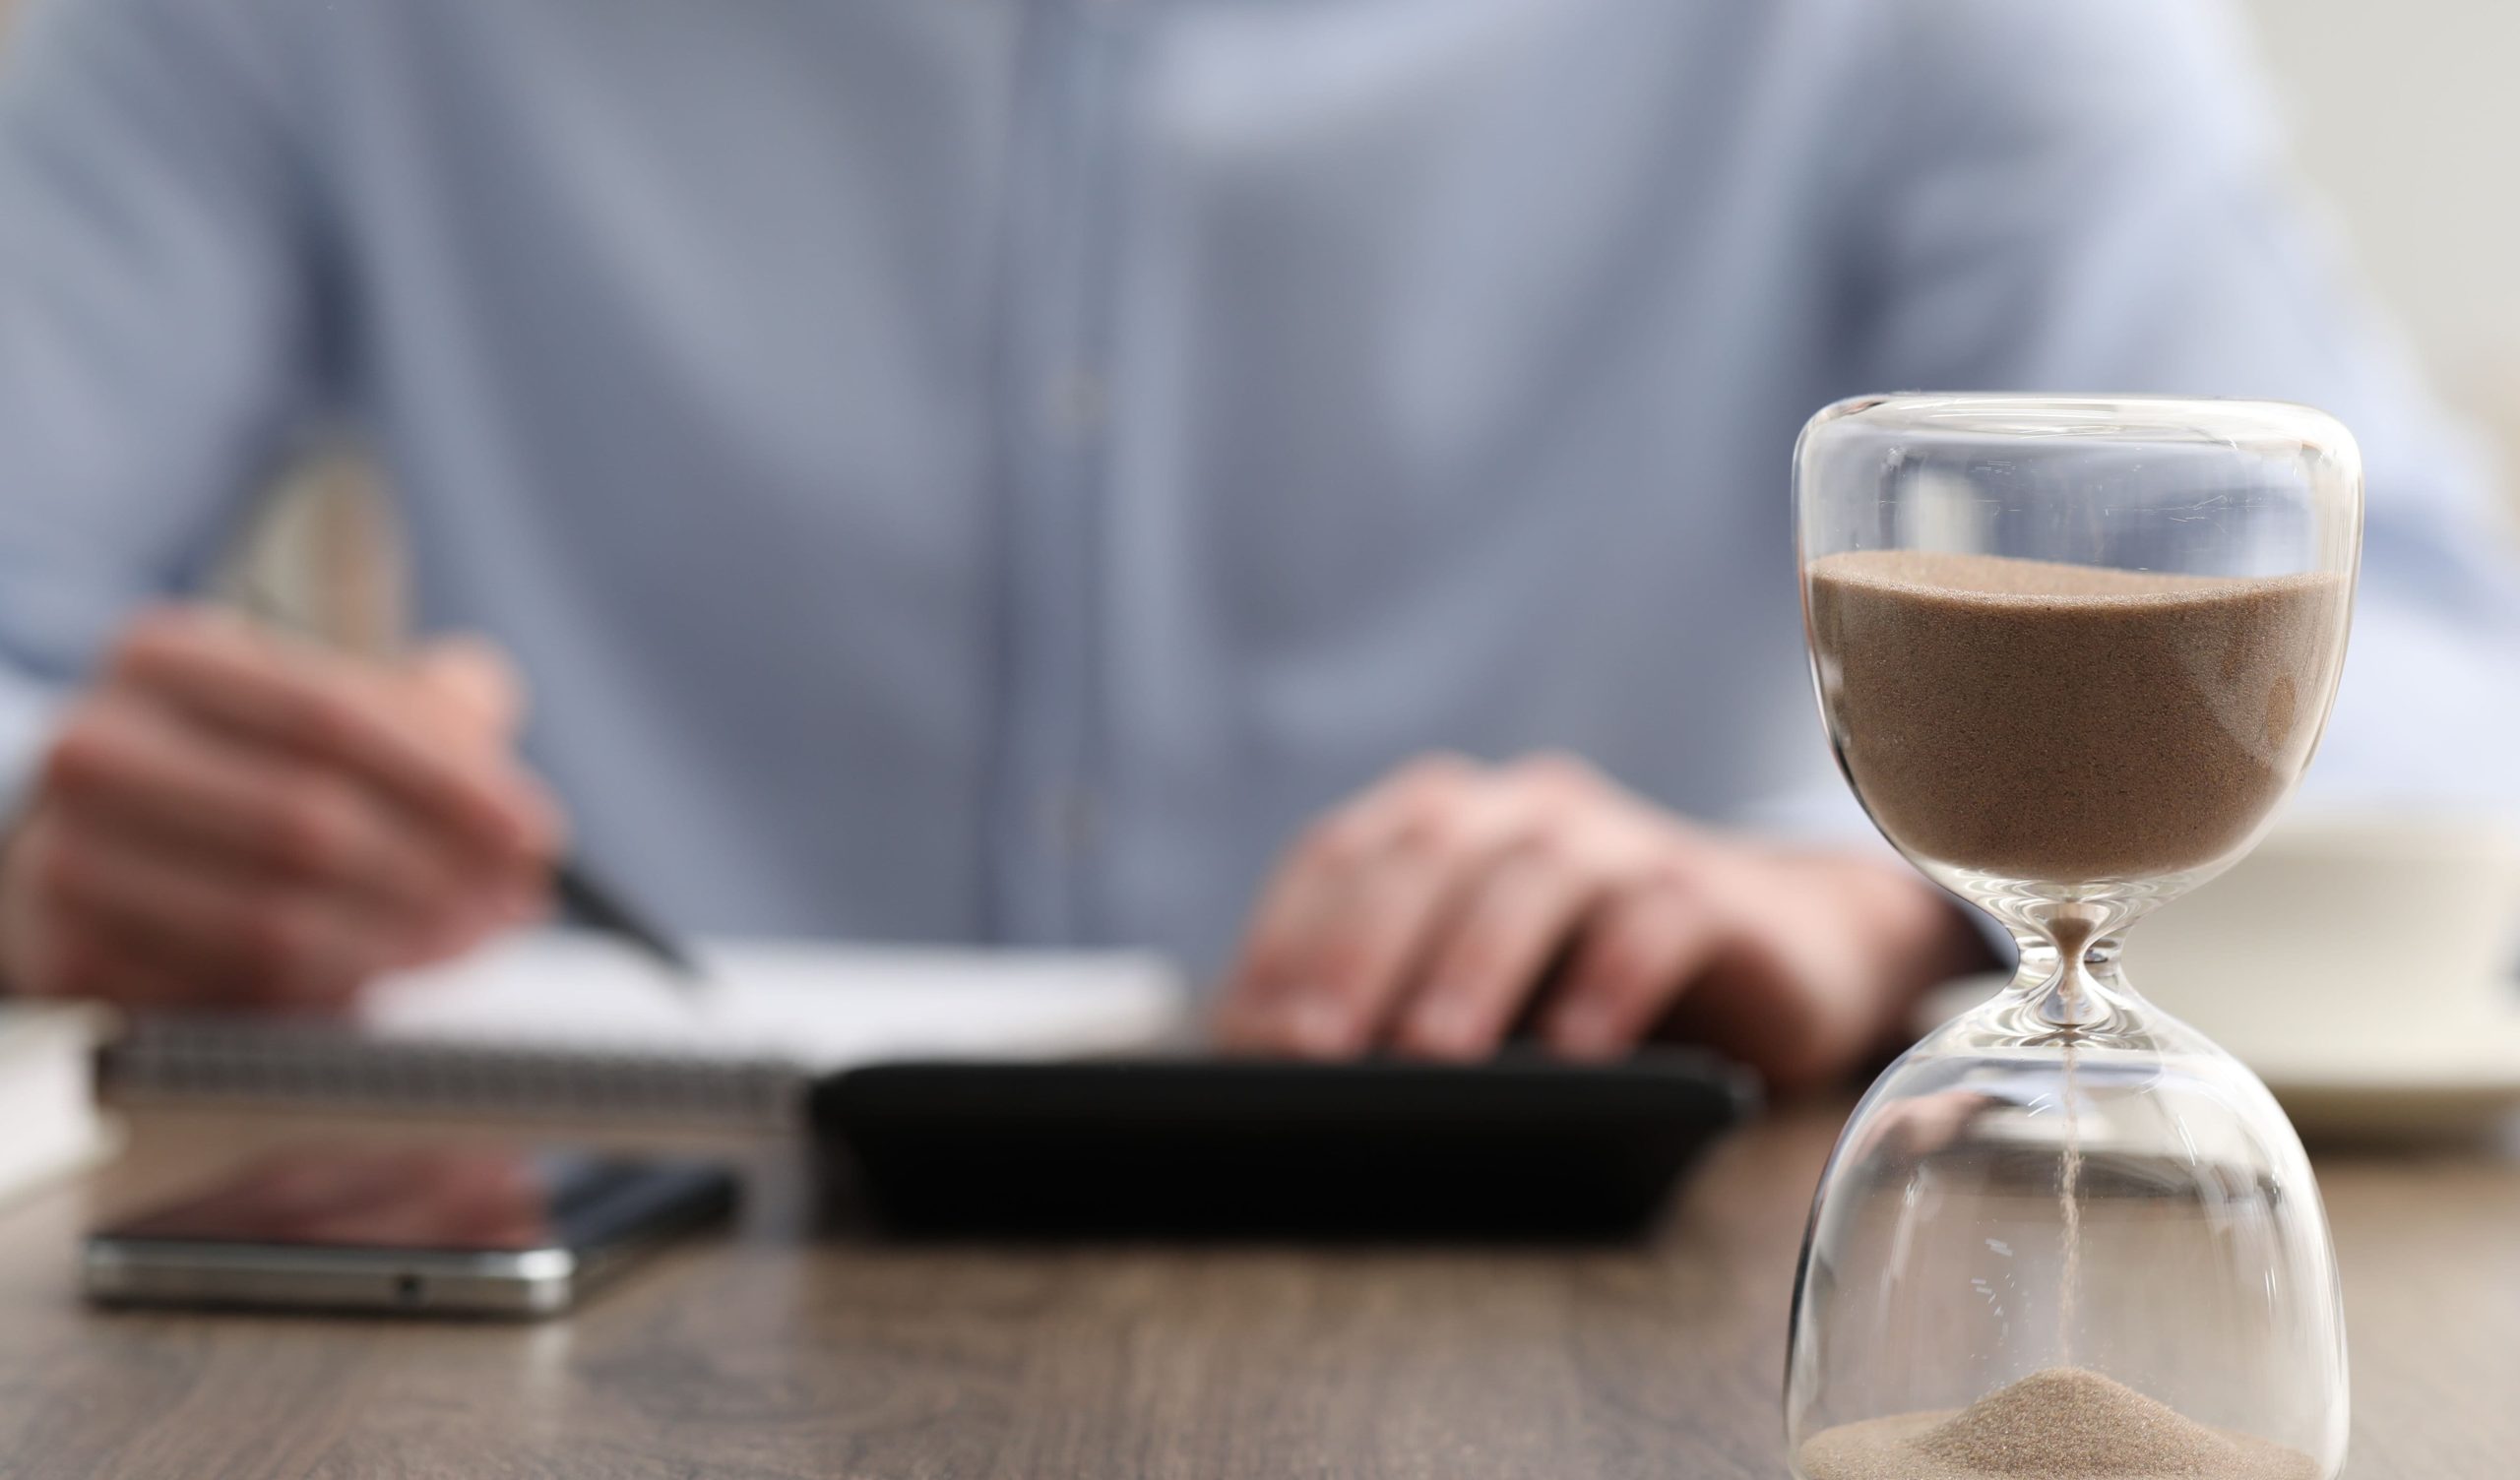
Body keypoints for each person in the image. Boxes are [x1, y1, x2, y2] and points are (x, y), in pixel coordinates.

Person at [1, 0, 2515, 1090]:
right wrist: (45, 825)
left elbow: (2414, 657)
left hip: (1593, 1363)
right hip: (577, 1309)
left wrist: (1860, 891)